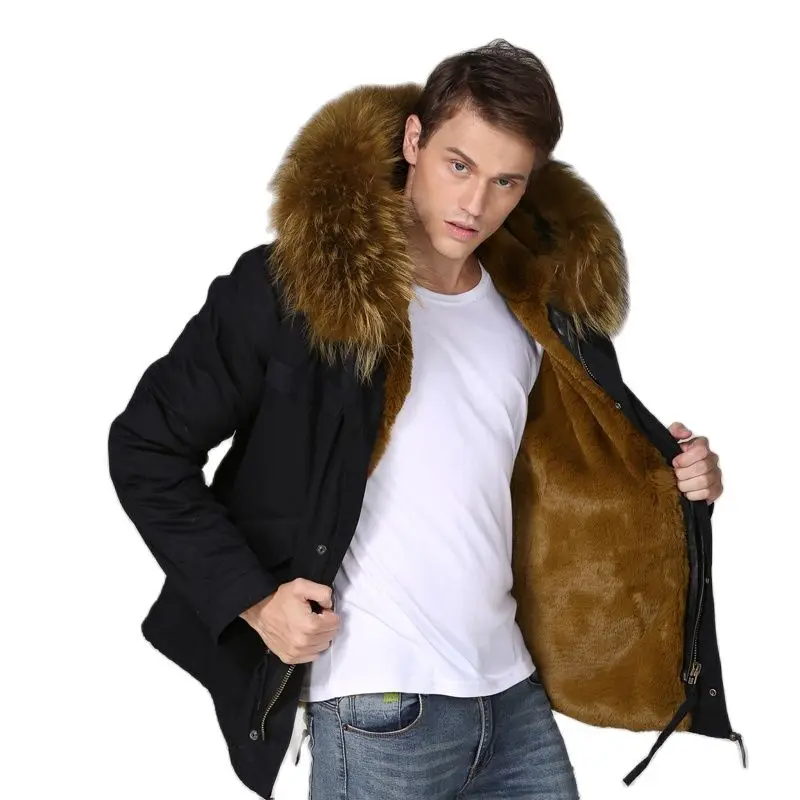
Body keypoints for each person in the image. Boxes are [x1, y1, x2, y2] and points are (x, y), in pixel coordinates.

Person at [108, 39, 744, 800]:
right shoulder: (299, 290)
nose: (475, 204)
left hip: (511, 694)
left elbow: (565, 476)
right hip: (374, 703)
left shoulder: (536, 313)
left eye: (506, 181)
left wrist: (675, 475)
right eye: (459, 165)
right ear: (414, 140)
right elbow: (145, 447)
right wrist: (253, 600)